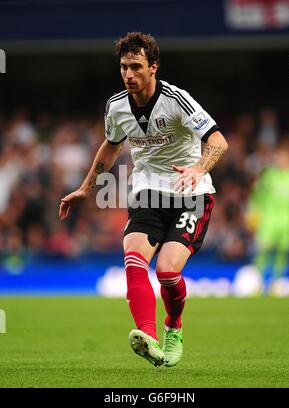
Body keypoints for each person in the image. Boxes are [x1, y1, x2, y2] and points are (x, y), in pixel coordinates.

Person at [59, 32, 228, 367]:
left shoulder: (178, 100)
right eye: (123, 67)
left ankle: (173, 326)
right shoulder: (116, 106)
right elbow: (111, 145)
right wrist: (86, 188)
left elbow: (219, 142)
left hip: (191, 195)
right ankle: (148, 337)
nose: (128, 74)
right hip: (148, 193)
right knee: (134, 258)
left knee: (166, 271)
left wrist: (198, 167)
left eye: (136, 67)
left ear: (154, 67)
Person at [246, 145, 289, 293]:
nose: (281, 160)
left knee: (282, 252)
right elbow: (257, 197)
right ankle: (258, 282)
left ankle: (276, 283)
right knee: (263, 250)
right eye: (279, 157)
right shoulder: (269, 175)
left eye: (284, 157)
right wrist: (253, 214)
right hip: (268, 220)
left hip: (286, 221)